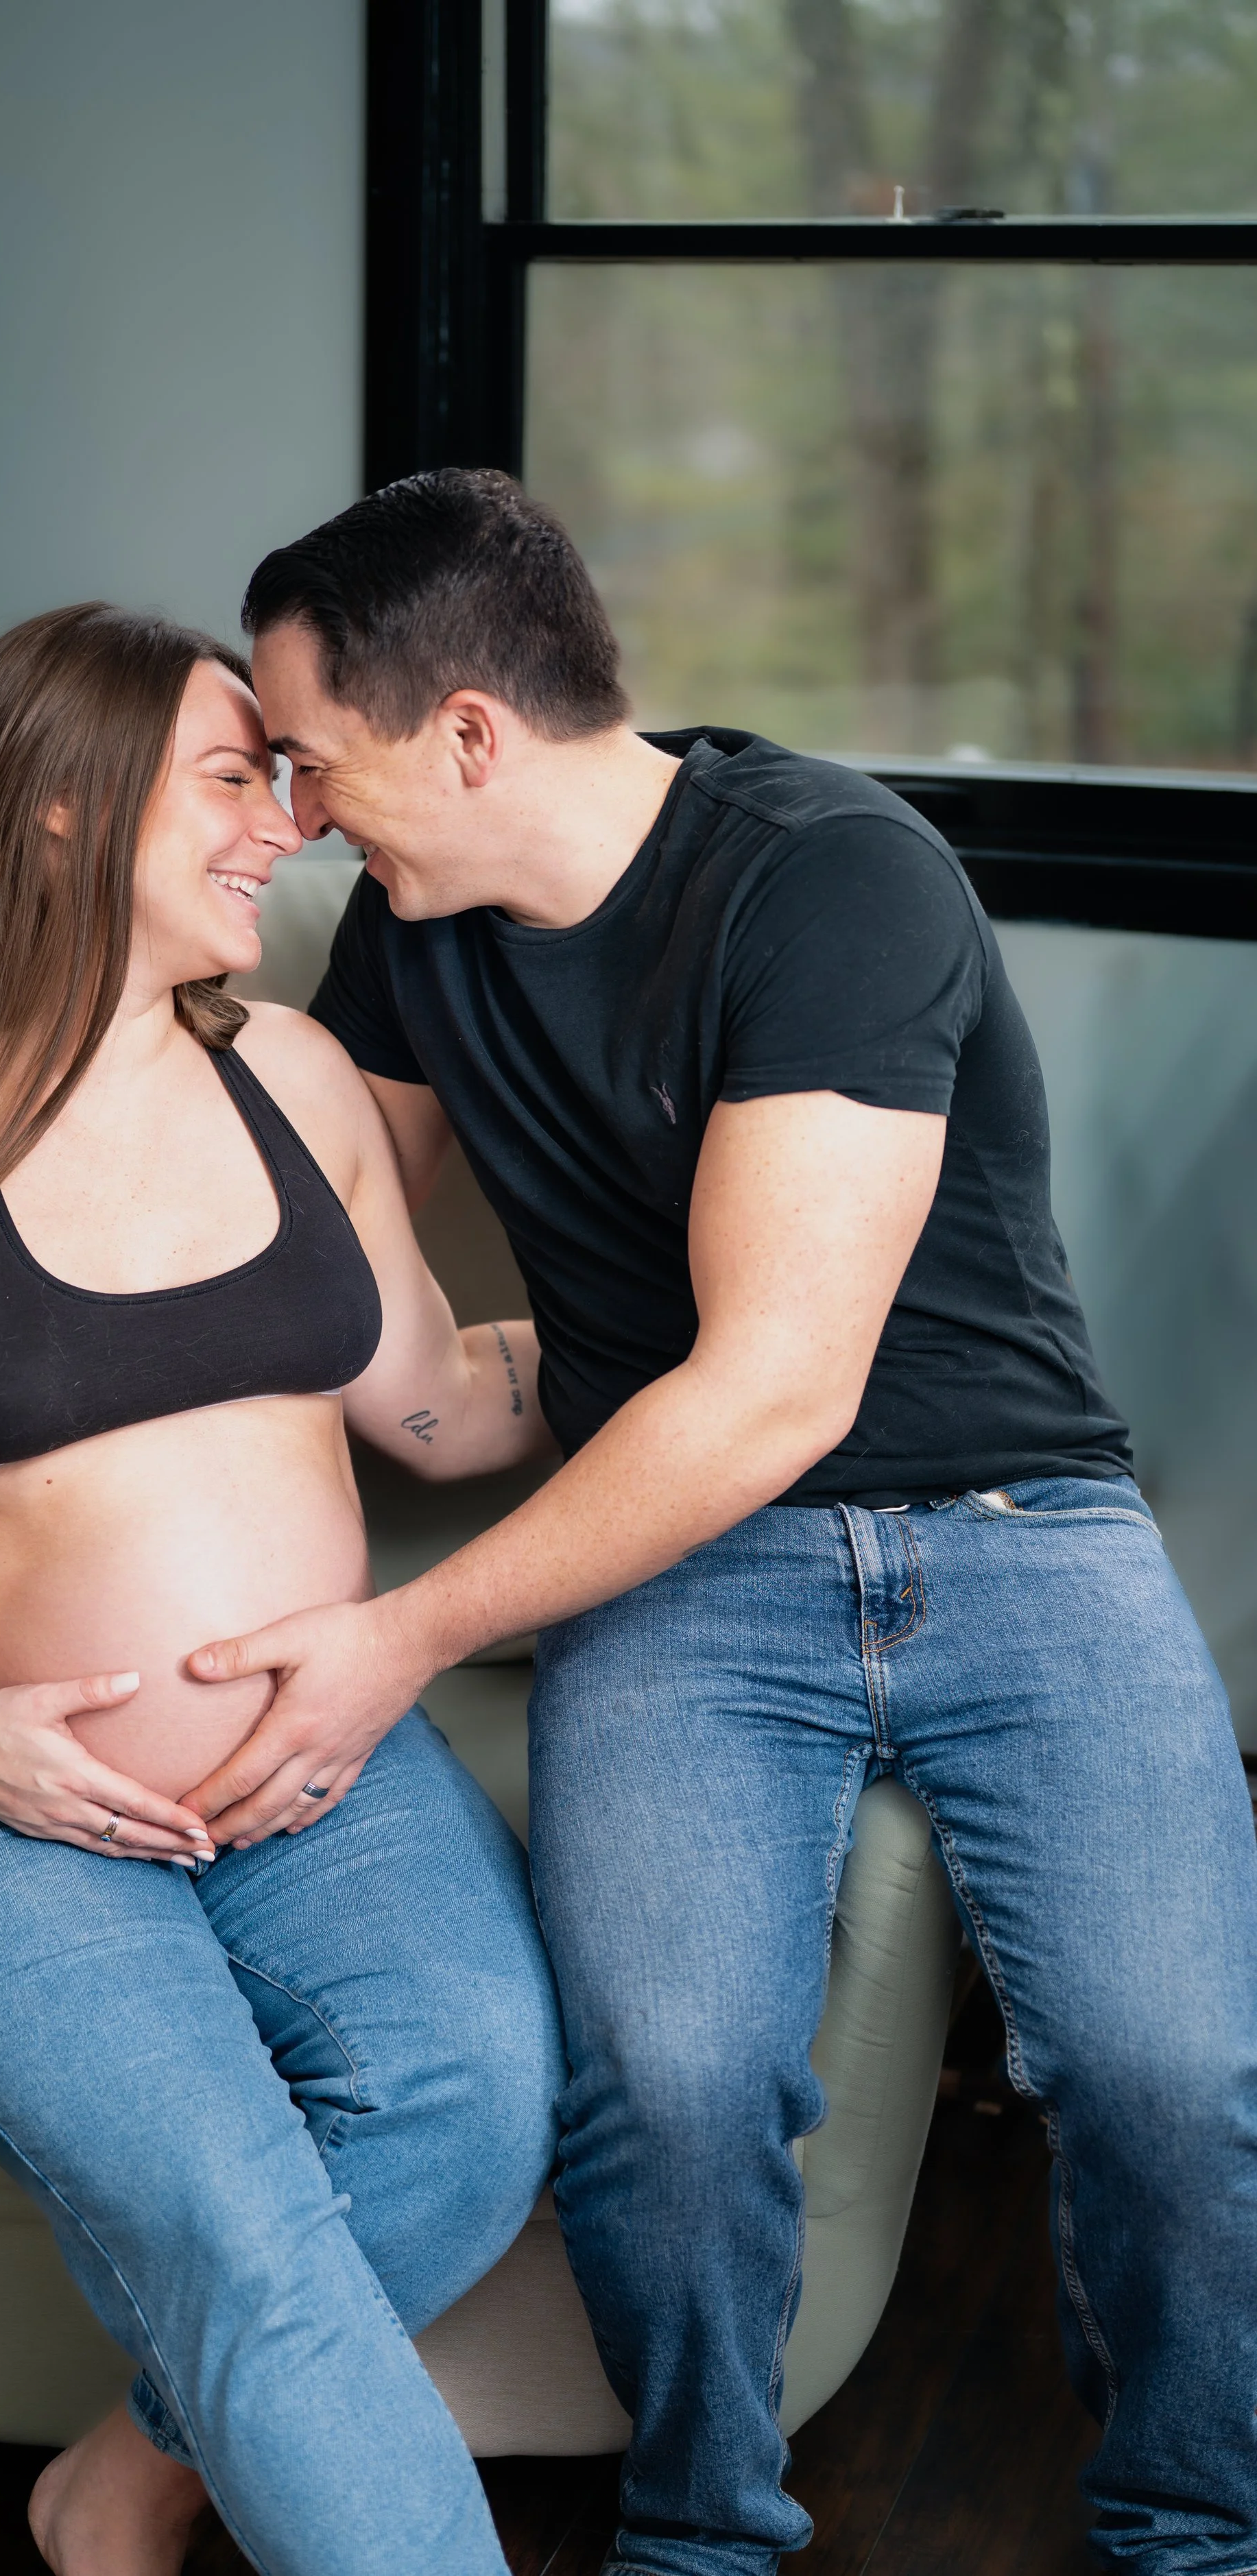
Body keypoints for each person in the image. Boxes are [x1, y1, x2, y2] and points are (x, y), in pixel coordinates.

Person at [176, 470, 1257, 2576]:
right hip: (680, 1571)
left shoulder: (830, 875)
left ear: (469, 733)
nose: (298, 812)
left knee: (1168, 2070)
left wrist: (400, 1633)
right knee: (663, 2092)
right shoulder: (409, 937)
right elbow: (315, 1235)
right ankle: (695, 2528)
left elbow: (774, 1387)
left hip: (1017, 1524)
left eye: (313, 758)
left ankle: (1191, 2527)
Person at [0, 602, 567, 2576]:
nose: (288, 826)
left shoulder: (305, 1078)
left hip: (320, 1777)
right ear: (66, 807)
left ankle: (123, 2475)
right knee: (239, 2225)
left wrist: (714, 1338)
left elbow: (429, 1400)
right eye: (237, 777)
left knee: (480, 2101)